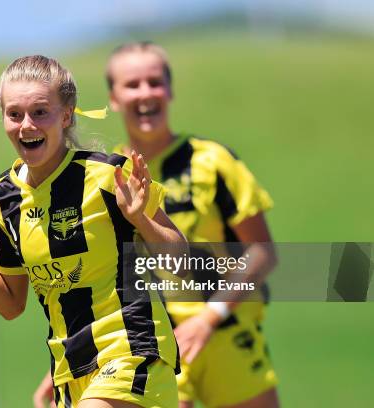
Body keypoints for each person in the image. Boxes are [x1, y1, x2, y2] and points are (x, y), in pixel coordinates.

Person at [0, 55, 187, 408]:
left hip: (133, 351)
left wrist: (142, 220)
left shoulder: (107, 175)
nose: (26, 125)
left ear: (66, 115)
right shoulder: (3, 196)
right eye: (14, 114)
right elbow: (9, 303)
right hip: (70, 371)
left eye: (40, 112)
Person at [34, 43, 280, 408]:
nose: (145, 93)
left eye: (155, 82)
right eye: (132, 84)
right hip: (151, 342)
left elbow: (262, 252)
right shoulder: (105, 174)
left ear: (170, 90)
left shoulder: (212, 161)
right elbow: (98, 277)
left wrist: (210, 317)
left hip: (227, 333)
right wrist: (76, 357)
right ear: (114, 98)